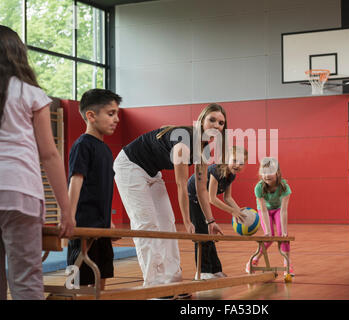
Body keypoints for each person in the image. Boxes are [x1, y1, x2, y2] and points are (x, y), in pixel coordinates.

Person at [113, 103, 227, 298]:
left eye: (221, 123)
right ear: (201, 121)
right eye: (212, 120)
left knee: (167, 222)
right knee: (146, 223)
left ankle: (172, 281)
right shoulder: (184, 143)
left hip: (151, 172)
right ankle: (154, 285)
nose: (217, 125)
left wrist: (211, 221)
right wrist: (188, 222)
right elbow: (182, 185)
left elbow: (201, 189)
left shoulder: (204, 149)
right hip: (129, 166)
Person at [0, 25, 74, 300]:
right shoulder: (28, 92)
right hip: (20, 192)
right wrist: (66, 210)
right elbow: (49, 154)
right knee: (25, 280)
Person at [66, 89, 121, 291]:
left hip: (101, 227)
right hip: (84, 226)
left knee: (101, 279)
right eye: (110, 113)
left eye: (117, 113)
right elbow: (75, 181)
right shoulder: (83, 145)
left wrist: (110, 221)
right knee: (78, 284)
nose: (116, 119)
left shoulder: (105, 150)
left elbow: (103, 190)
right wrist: (70, 217)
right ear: (91, 115)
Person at [188, 146, 248, 280]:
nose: (238, 165)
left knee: (210, 235)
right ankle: (202, 271)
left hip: (203, 200)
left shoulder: (231, 175)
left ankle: (215, 270)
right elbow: (212, 198)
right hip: (193, 199)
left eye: (242, 162)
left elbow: (228, 198)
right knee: (202, 234)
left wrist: (238, 211)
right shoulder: (215, 170)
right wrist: (232, 211)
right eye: (235, 160)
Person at [246, 157, 293, 275]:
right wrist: (267, 231)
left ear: (277, 172)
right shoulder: (259, 188)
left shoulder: (284, 187)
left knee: (284, 236)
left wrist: (285, 231)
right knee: (269, 236)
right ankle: (254, 260)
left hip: (278, 210)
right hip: (265, 210)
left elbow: (283, 210)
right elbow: (263, 209)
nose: (266, 175)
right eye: (264, 172)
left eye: (270, 172)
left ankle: (287, 263)